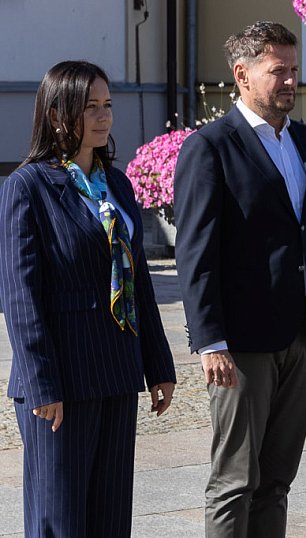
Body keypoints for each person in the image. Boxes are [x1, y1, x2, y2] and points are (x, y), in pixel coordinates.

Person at [173, 20, 306, 537]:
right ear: (243, 74)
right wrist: (210, 340)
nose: (291, 82)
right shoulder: (210, 147)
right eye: (279, 71)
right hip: (243, 341)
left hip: (304, 333)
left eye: (295, 70)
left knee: (277, 479)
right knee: (235, 479)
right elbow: (196, 254)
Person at [0, 60, 177, 537]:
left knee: (109, 519)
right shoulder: (27, 187)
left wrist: (158, 365)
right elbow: (21, 298)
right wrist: (42, 384)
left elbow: (136, 279)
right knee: (59, 521)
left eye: (108, 106)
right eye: (90, 107)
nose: (103, 117)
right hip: (61, 382)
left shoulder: (116, 185)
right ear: (58, 114)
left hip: (117, 371)